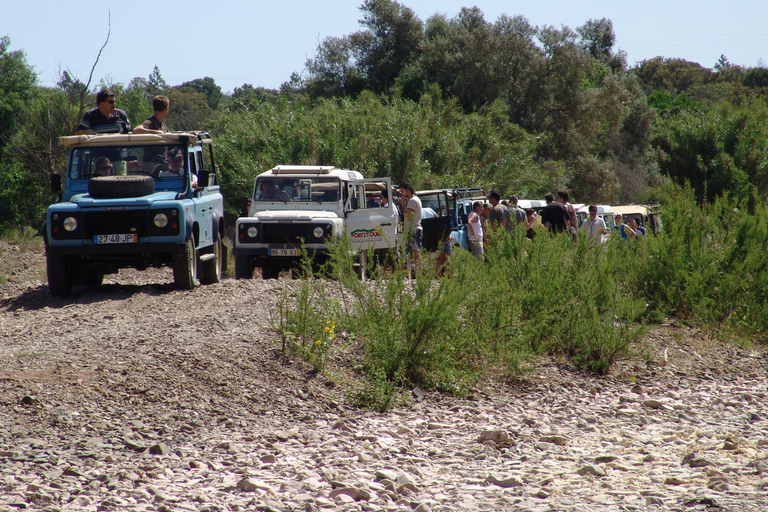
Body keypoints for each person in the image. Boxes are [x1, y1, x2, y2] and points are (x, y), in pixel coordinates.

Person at [399, 182, 423, 274]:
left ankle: (419, 272)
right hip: (414, 229)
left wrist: (403, 205)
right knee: (415, 252)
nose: (401, 193)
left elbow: (408, 216)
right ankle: (418, 272)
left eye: (402, 191)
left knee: (416, 252)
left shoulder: (412, 201)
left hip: (414, 229)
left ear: (407, 190)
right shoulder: (415, 200)